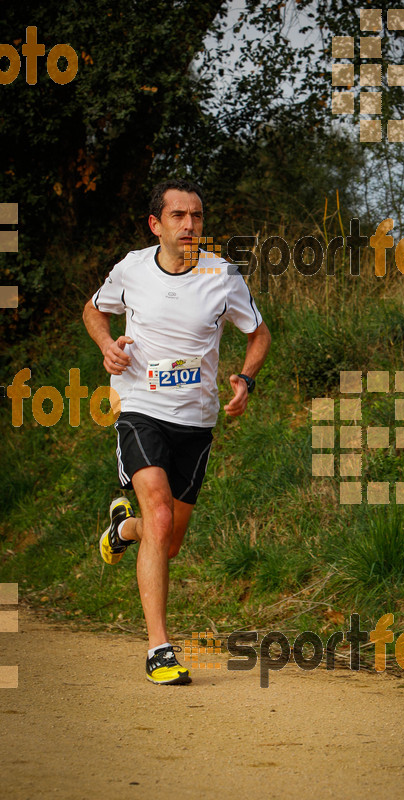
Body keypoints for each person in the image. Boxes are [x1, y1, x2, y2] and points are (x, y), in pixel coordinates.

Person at [83, 178, 271, 686]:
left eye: (197, 217)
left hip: (197, 419)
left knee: (165, 542)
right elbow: (94, 310)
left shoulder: (222, 275)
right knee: (160, 513)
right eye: (179, 216)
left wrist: (246, 379)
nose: (190, 225)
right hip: (140, 407)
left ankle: (124, 529)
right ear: (156, 224)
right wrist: (106, 345)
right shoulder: (132, 269)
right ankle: (159, 648)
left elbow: (258, 333)